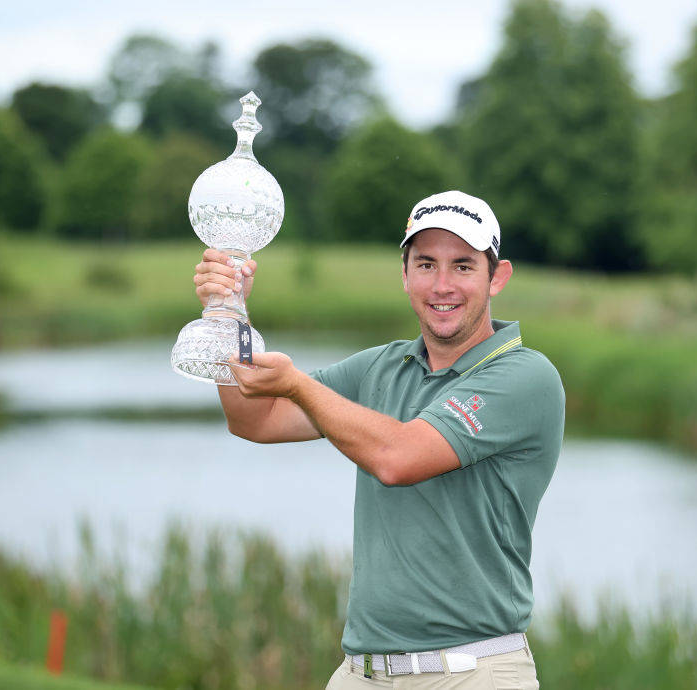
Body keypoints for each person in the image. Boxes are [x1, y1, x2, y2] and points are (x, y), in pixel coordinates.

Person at [193, 190, 564, 688]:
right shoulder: (382, 366)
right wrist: (227, 310)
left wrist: (299, 384)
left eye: (463, 266)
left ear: (497, 277)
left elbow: (398, 458)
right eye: (426, 264)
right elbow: (254, 420)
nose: (442, 285)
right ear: (405, 274)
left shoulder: (525, 375)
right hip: (362, 672)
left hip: (473, 671)